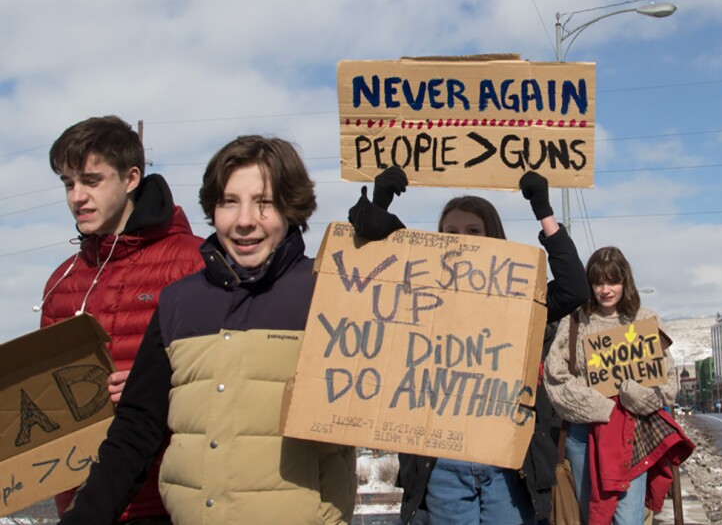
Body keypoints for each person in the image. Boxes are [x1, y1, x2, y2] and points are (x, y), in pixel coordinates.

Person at [58, 135, 357, 525]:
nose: (244, 220)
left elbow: (396, 380)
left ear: (291, 206)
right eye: (229, 202)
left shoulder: (328, 291)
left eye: (264, 203)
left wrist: (381, 244)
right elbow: (136, 429)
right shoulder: (180, 302)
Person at [349, 167, 588, 525]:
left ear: (493, 237)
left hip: (507, 462)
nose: (462, 240)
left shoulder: (519, 296)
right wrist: (379, 204)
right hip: (443, 461)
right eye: (451, 233)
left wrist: (543, 210)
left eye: (473, 232)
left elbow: (573, 289)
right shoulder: (421, 292)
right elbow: (360, 275)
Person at [36, 115, 204, 523]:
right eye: (67, 183)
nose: (77, 196)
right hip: (83, 508)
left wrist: (161, 387)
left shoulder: (193, 262)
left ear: (131, 178)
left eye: (92, 181)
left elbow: (228, 380)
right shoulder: (61, 283)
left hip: (169, 503)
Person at [543, 246, 695, 524]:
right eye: (598, 282)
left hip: (631, 434)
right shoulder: (575, 320)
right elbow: (555, 378)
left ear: (625, 281)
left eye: (612, 281)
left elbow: (668, 383)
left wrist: (635, 396)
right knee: (591, 515)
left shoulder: (644, 319)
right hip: (583, 433)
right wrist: (599, 405)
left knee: (628, 518)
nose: (605, 289)